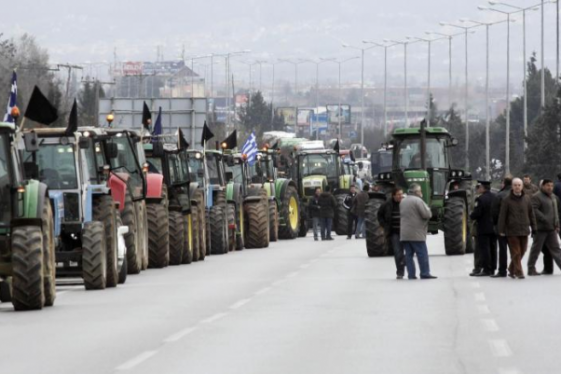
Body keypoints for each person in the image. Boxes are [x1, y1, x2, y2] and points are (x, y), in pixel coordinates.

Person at [498, 177, 537, 279]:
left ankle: (511, 269)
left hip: (524, 229)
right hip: (512, 230)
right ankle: (519, 272)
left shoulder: (527, 199)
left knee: (523, 251)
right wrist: (501, 230)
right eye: (515, 185)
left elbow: (531, 214)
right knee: (516, 252)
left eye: (519, 185)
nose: (517, 187)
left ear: (522, 186)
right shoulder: (507, 200)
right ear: (512, 186)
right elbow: (502, 216)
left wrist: (534, 228)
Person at [400, 183, 437, 280]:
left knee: (408, 255)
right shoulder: (418, 201)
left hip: (405, 233)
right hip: (416, 233)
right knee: (422, 253)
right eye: (420, 191)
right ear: (416, 192)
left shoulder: (403, 201)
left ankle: (411, 275)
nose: (421, 193)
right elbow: (427, 214)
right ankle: (425, 273)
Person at [526, 179, 561, 275]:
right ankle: (531, 268)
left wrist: (557, 224)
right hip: (541, 228)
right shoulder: (536, 196)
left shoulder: (554, 197)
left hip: (552, 228)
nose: (550, 188)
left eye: (551, 186)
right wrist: (544, 218)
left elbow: (556, 212)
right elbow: (534, 209)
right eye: (548, 186)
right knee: (536, 249)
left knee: (556, 249)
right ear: (543, 186)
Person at [470, 181, 497, 277]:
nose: (478, 189)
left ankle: (486, 269)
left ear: (483, 188)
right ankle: (493, 268)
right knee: (493, 248)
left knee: (485, 249)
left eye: (479, 187)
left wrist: (471, 216)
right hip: (494, 227)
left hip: (483, 228)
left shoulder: (480, 199)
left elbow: (477, 213)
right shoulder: (495, 197)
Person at [378, 187, 405, 279]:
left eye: (401, 194)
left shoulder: (405, 203)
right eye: (398, 194)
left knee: (408, 253)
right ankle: (400, 272)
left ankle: (408, 268)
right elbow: (379, 215)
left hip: (406, 232)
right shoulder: (386, 205)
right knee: (398, 253)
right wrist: (384, 225)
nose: (401, 196)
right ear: (393, 195)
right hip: (394, 233)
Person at [490, 176, 512, 278]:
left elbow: (494, 212)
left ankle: (502, 270)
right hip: (514, 226)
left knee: (502, 249)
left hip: (501, 226)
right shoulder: (516, 194)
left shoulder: (499, 195)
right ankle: (515, 269)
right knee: (515, 249)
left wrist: (496, 224)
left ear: (504, 183)